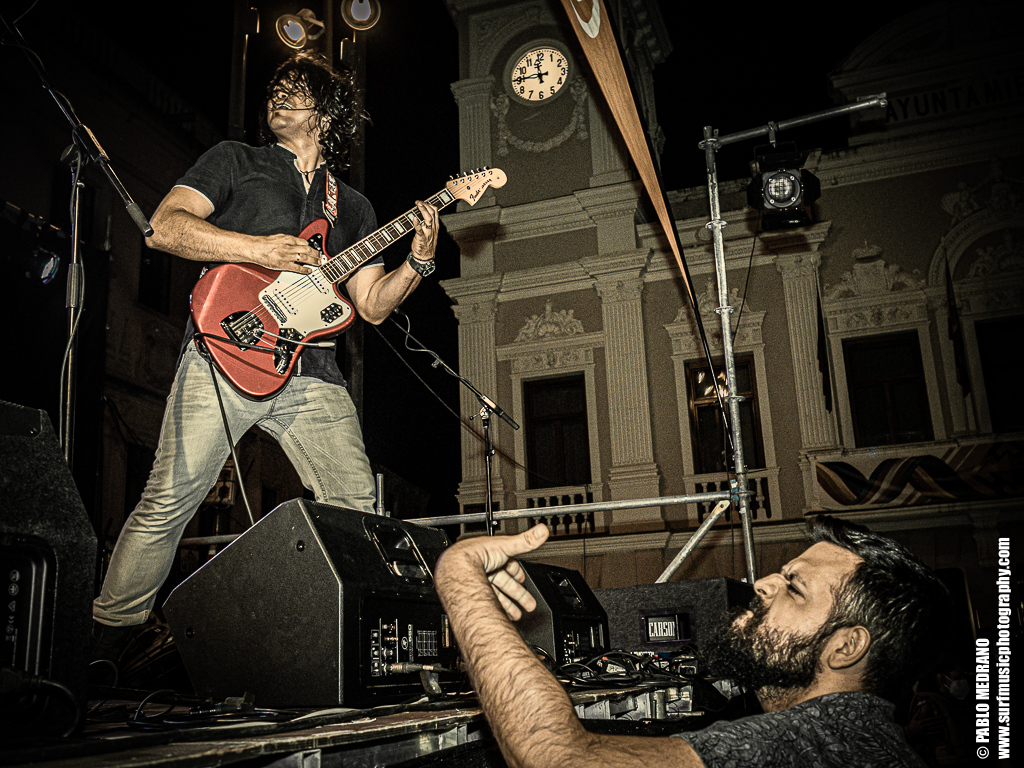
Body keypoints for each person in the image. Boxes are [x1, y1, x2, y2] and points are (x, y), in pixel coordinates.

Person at [92, 51, 439, 660]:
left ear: (326, 113)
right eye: (276, 86)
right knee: (171, 496)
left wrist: (419, 260)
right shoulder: (236, 160)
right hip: (226, 349)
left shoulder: (354, 207)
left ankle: (354, 643)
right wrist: (259, 250)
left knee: (356, 505)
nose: (278, 94)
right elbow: (164, 228)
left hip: (314, 370)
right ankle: (108, 640)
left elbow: (372, 306)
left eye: (296, 88)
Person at [434, 515, 950, 767]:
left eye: (794, 588)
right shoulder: (861, 734)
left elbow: (559, 760)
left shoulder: (819, 742)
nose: (763, 584)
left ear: (846, 647)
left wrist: (461, 579)